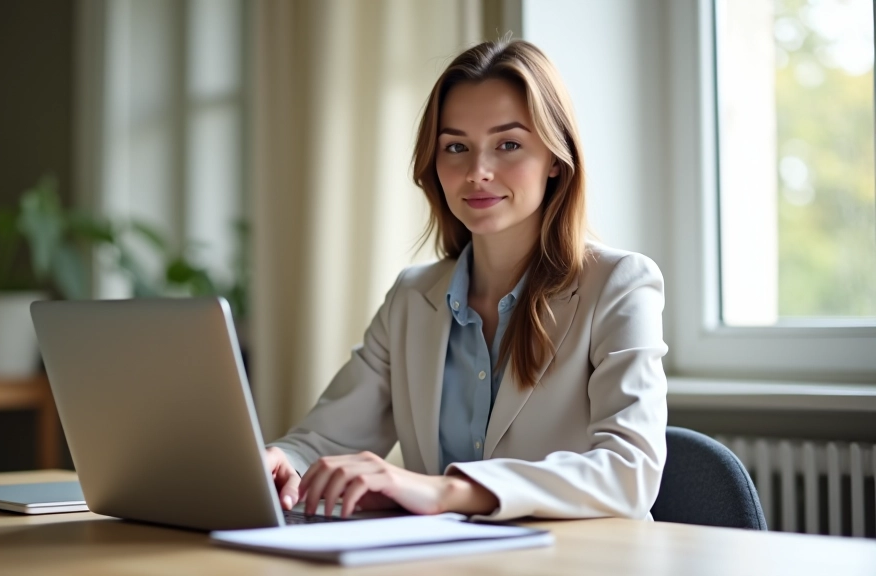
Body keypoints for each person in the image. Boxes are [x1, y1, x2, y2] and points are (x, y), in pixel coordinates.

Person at [265, 39, 668, 522]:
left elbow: (631, 472)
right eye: (456, 147)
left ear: (556, 160)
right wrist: (278, 461)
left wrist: (447, 492)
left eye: (509, 145)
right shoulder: (412, 298)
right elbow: (324, 439)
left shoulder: (619, 285)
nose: (477, 172)